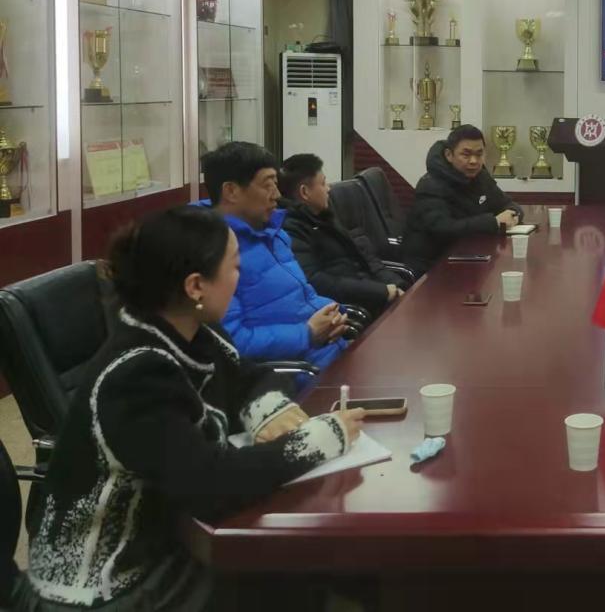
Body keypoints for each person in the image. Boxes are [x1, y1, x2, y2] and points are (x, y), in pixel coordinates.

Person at [16, 206, 364, 611]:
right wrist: (318, 439)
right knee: (302, 581)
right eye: (234, 267)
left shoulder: (191, 329)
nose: (240, 277)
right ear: (196, 285)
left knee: (311, 574)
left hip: (166, 542)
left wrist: (268, 410)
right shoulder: (136, 376)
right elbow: (213, 485)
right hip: (109, 586)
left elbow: (251, 377)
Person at [201, 142, 347, 369]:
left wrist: (335, 313)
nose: (277, 195)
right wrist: (307, 333)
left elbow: (303, 297)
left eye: (276, 185)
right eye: (268, 185)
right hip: (297, 374)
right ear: (231, 191)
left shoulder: (274, 232)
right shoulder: (213, 250)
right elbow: (231, 342)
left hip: (333, 351)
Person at [278, 153, 406, 320]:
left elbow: (364, 257)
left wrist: (397, 284)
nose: (328, 189)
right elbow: (318, 282)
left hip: (373, 294)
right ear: (305, 192)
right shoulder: (292, 229)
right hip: (354, 311)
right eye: (323, 183)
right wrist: (381, 292)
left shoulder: (324, 216)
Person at [402, 125, 523, 273]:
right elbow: (443, 229)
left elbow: (507, 203)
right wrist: (494, 222)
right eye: (466, 155)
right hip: (433, 266)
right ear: (449, 155)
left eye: (479, 154)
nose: (473, 161)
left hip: (469, 257)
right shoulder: (431, 185)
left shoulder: (480, 177)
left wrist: (513, 215)